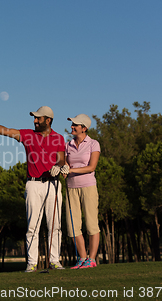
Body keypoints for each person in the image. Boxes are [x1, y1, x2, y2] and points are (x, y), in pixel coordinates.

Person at [0, 106, 67, 272]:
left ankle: (55, 261)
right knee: (32, 226)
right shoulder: (28, 135)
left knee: (55, 225)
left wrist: (60, 166)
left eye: (38, 118)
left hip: (53, 184)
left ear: (48, 120)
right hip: (33, 184)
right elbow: (4, 131)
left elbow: (61, 160)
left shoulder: (59, 138)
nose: (35, 121)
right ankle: (32, 263)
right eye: (34, 118)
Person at [64, 114, 101, 269]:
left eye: (75, 125)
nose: (72, 126)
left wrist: (71, 169)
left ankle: (91, 259)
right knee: (72, 226)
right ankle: (82, 258)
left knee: (92, 224)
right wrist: (63, 168)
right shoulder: (68, 145)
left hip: (88, 187)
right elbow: (64, 162)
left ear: (84, 128)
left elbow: (91, 167)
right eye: (72, 124)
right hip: (71, 188)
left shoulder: (93, 144)